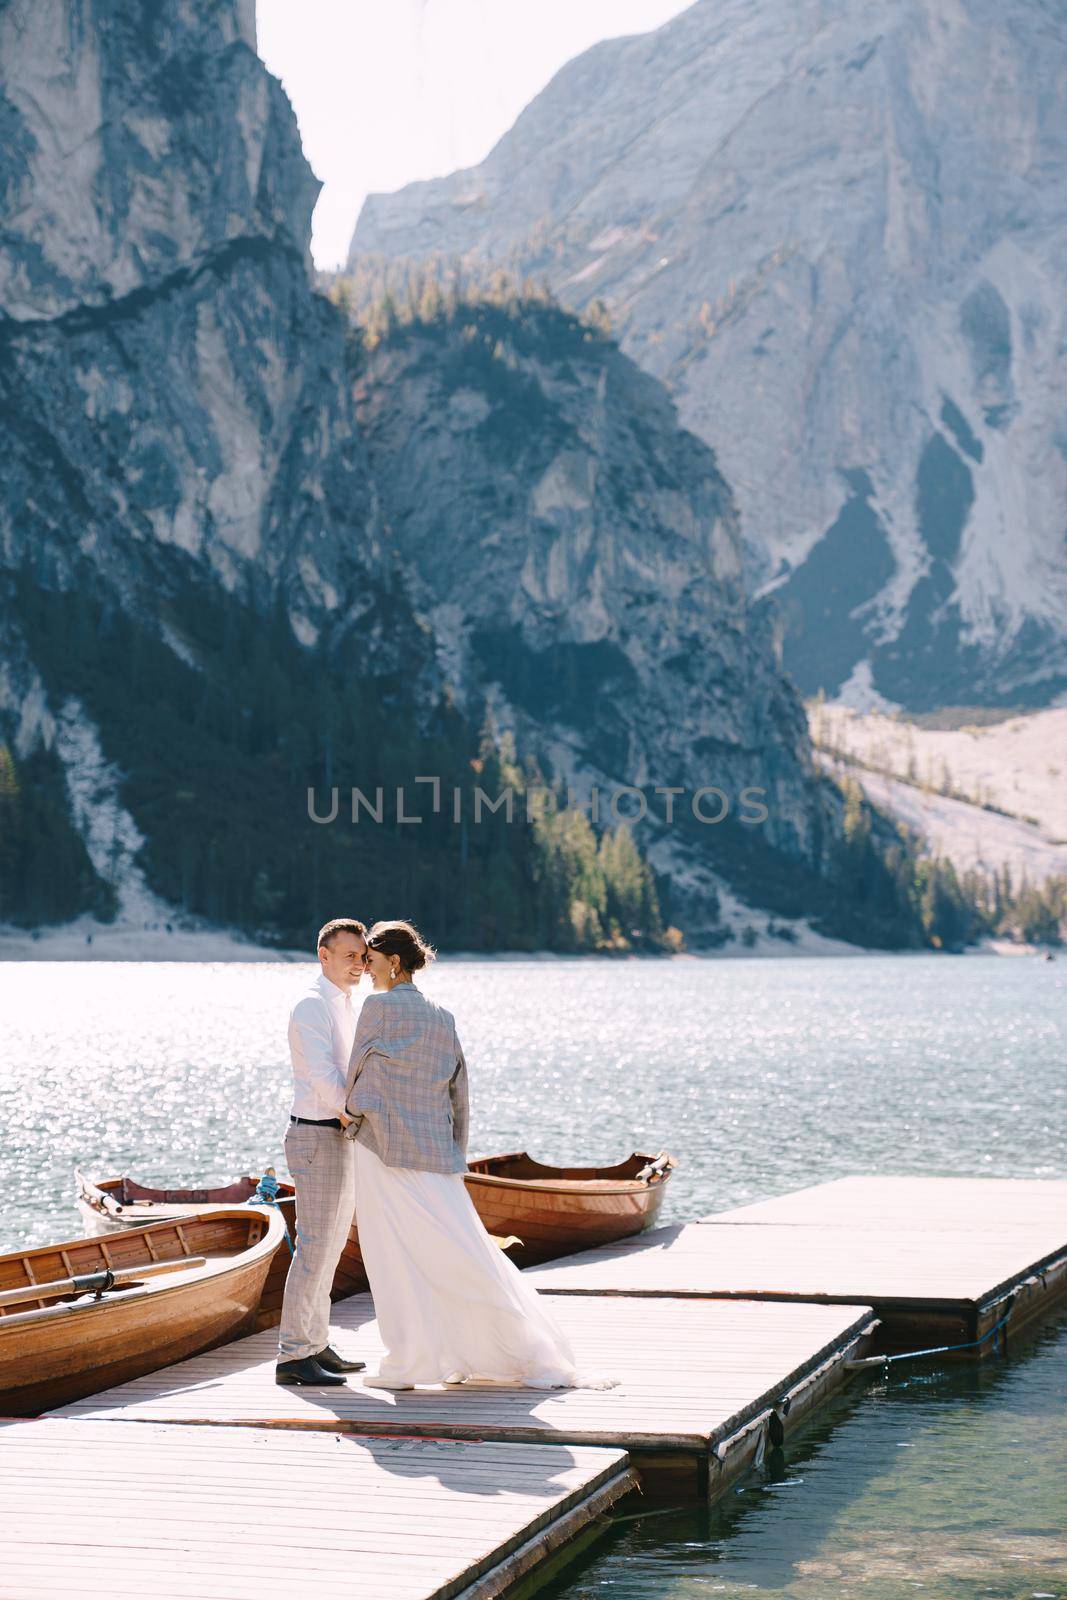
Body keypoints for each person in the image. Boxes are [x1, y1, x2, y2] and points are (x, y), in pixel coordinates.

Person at [341, 919, 614, 1391]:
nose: (365, 967)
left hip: (384, 1149)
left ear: (395, 961)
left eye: (371, 958)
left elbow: (358, 1073)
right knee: (460, 1249)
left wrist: (351, 1112)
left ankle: (409, 1362)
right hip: (437, 1154)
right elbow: (458, 1092)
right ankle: (496, 1347)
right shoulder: (443, 1017)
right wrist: (455, 1153)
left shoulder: (377, 1008)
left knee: (395, 1256)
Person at [275, 917, 370, 1387]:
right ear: (323, 955)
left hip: (340, 1133)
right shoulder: (311, 1006)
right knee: (315, 1246)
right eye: (349, 955)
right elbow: (323, 1077)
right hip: (317, 1133)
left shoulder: (349, 1006)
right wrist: (358, 1115)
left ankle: (316, 1343)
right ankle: (293, 1357)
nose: (359, 963)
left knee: (331, 1247)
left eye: (362, 955)